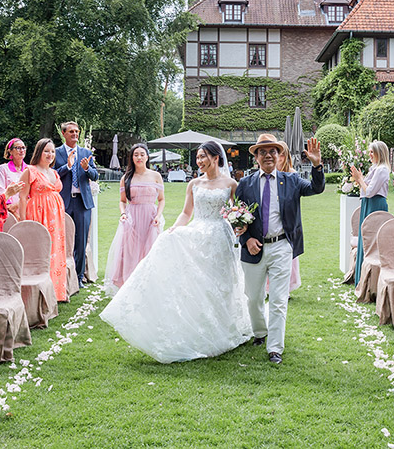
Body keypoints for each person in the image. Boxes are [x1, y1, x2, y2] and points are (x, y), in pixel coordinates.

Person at [100, 141, 252, 363]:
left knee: (222, 283)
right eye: (197, 157)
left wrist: (240, 223)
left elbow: (238, 211)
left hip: (220, 237)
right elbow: (186, 213)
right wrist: (173, 229)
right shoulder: (194, 183)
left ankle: (226, 326)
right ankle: (200, 327)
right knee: (198, 283)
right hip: (198, 233)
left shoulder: (231, 184)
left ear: (216, 157)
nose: (199, 161)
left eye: (203, 157)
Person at [235, 134, 324, 364]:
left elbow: (316, 188)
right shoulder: (245, 184)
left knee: (278, 300)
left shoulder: (291, 180)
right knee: (253, 298)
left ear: (279, 155)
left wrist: (317, 165)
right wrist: (246, 239)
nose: (268, 156)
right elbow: (236, 217)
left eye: (272, 151)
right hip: (253, 249)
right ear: (256, 157)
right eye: (263, 152)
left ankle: (275, 347)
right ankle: (260, 332)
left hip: (282, 246)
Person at [104, 143, 165, 295]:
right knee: (130, 252)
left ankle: (149, 286)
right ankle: (130, 286)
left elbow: (161, 199)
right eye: (136, 154)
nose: (139, 157)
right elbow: (122, 201)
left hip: (150, 219)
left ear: (147, 157)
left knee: (149, 251)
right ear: (132, 158)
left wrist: (158, 216)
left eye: (142, 154)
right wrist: (123, 214)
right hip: (132, 219)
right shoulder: (126, 178)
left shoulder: (156, 176)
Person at [19, 139, 69, 302]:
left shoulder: (54, 173)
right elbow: (22, 197)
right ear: (39, 152)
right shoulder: (30, 171)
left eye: (52, 151)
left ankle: (56, 291)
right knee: (41, 251)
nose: (50, 154)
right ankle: (39, 294)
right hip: (38, 214)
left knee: (56, 251)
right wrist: (23, 221)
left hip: (56, 217)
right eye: (46, 151)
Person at [54, 122, 98, 288]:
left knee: (81, 241)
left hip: (82, 202)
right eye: (71, 131)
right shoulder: (56, 152)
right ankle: (62, 278)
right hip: (64, 202)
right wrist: (68, 166)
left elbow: (95, 176)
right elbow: (53, 174)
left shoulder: (86, 153)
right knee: (63, 241)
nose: (75, 134)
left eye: (77, 131)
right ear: (63, 133)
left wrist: (87, 169)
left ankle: (79, 278)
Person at [351, 140, 391, 285]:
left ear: (379, 153)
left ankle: (370, 282)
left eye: (372, 152)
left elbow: (369, 191)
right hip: (368, 204)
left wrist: (360, 179)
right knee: (365, 238)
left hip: (375, 204)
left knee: (372, 240)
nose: (370, 154)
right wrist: (359, 180)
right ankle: (362, 279)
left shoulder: (382, 170)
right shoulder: (375, 168)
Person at [274, 140, 301, 293]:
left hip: (288, 220)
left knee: (288, 256)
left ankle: (286, 288)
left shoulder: (292, 174)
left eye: (281, 154)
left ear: (285, 156)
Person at [0, 138, 28, 216]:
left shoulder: (29, 169)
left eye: (23, 148)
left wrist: (17, 205)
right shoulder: (3, 168)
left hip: (26, 209)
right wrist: (11, 209)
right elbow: (1, 190)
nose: (22, 150)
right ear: (10, 151)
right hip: (8, 211)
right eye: (18, 148)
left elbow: (31, 193)